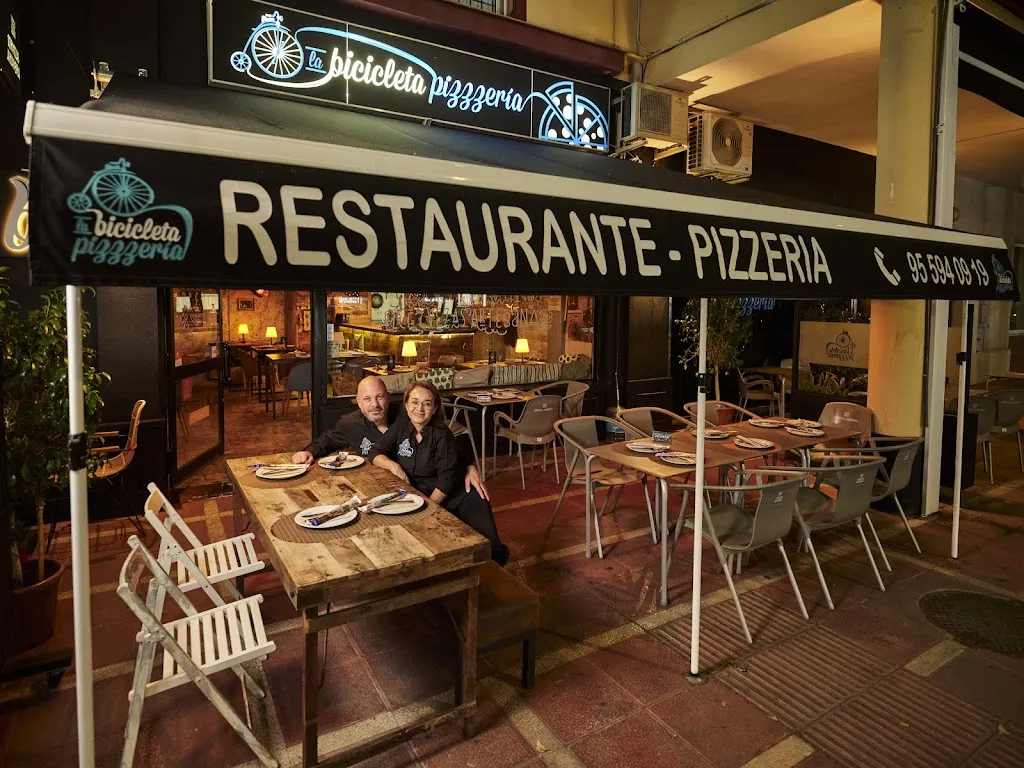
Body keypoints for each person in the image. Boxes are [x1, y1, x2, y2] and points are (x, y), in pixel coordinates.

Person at [369, 381, 510, 566]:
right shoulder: (402, 425)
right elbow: (375, 452)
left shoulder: (441, 434)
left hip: (455, 494)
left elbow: (447, 480)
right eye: (414, 402)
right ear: (406, 404)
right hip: (421, 491)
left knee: (489, 552)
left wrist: (426, 510)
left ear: (434, 409)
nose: (419, 409)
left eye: (427, 404)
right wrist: (393, 466)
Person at [291, 376, 488, 499]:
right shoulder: (350, 424)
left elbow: (446, 444)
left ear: (388, 397)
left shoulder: (408, 415)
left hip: (415, 488)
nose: (374, 405)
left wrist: (469, 466)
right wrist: (308, 451)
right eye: (367, 399)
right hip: (374, 488)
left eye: (379, 397)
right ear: (358, 402)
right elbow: (326, 440)